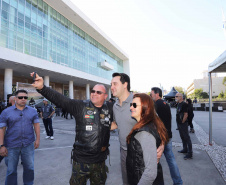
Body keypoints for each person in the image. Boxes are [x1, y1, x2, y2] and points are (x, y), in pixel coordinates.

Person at [31, 72, 114, 185]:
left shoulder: (110, 108)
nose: (94, 94)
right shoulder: (80, 106)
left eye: (98, 92)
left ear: (105, 96)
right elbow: (62, 100)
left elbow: (125, 114)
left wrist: (112, 125)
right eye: (93, 91)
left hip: (100, 161)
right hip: (80, 160)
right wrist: (42, 88)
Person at [111, 73, 164, 185]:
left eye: (115, 84)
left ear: (125, 85)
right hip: (124, 151)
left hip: (140, 153)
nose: (111, 87)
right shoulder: (115, 106)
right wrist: (100, 127)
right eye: (111, 84)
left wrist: (162, 144)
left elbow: (157, 123)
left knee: (145, 179)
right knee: (128, 181)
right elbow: (117, 123)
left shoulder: (138, 101)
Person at [0, 89, 40, 185]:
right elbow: (2, 129)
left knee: (29, 168)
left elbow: (36, 125)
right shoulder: (6, 112)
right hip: (11, 145)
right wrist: (1, 145)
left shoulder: (32, 111)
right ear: (15, 98)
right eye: (20, 97)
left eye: (25, 97)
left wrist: (38, 139)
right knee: (11, 170)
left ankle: (29, 183)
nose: (23, 99)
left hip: (28, 144)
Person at [126, 93, 168, 185]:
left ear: (145, 107)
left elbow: (150, 173)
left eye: (134, 105)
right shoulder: (149, 124)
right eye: (131, 105)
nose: (131, 108)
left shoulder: (144, 133)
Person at [151, 87, 183, 185]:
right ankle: (178, 182)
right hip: (168, 135)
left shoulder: (156, 105)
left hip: (159, 137)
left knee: (154, 161)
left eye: (151, 94)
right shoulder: (166, 104)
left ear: (157, 94)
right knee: (171, 159)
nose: (151, 96)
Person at [175, 93, 193, 160]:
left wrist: (183, 122)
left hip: (183, 123)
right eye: (175, 96)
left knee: (186, 137)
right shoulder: (178, 104)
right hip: (179, 123)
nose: (175, 97)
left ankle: (190, 153)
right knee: (182, 136)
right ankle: (185, 149)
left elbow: (186, 114)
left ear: (181, 97)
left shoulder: (184, 104)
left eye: (177, 96)